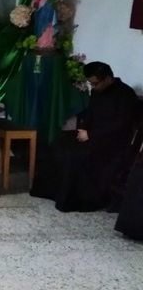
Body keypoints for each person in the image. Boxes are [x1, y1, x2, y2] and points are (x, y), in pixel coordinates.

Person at [53, 62, 138, 212]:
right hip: (93, 134)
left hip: (113, 140)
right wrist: (83, 128)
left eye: (95, 83)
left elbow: (120, 124)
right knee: (60, 145)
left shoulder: (125, 94)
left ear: (107, 79)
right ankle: (57, 193)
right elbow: (91, 112)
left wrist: (91, 134)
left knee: (77, 155)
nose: (93, 87)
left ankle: (83, 200)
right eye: (90, 83)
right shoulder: (98, 91)